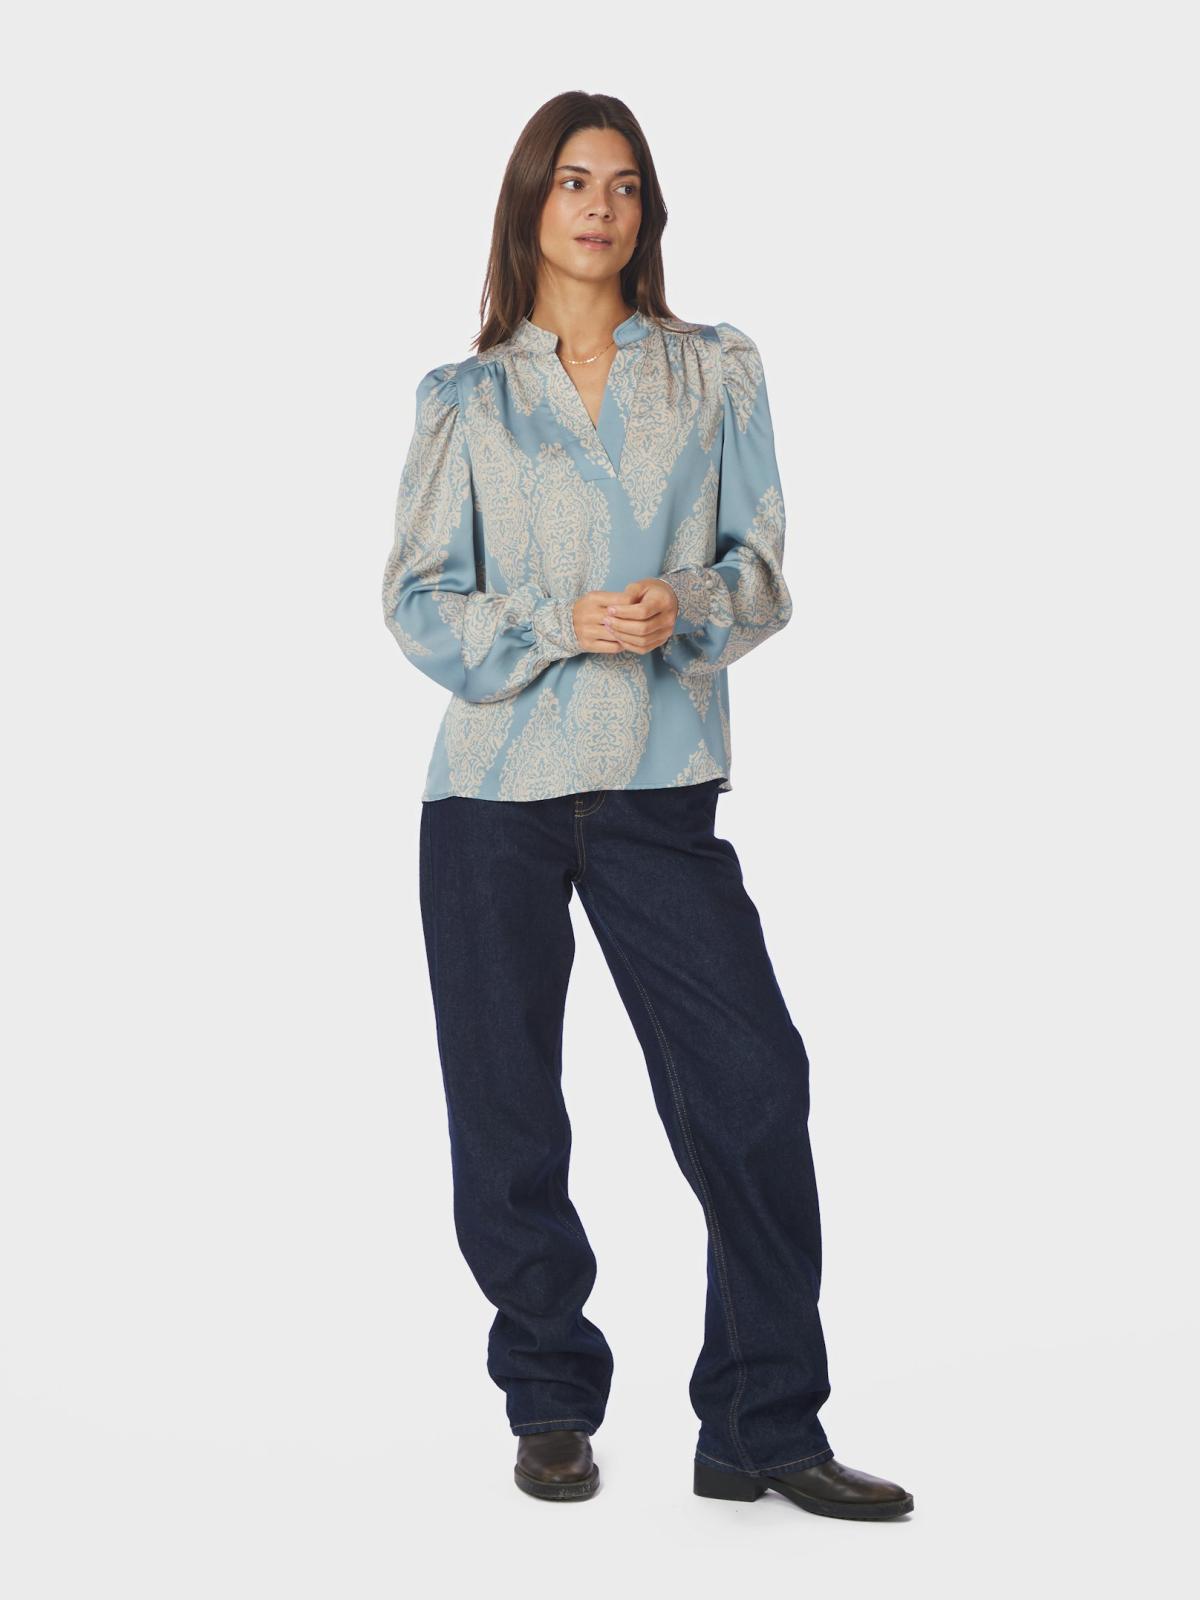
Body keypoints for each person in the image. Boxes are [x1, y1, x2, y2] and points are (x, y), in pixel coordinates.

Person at [381, 90, 914, 1521]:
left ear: (647, 212)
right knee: (507, 1111)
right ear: (530, 203)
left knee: (755, 1084)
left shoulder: (713, 372)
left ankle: (760, 1421)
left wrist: (682, 602)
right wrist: (561, 620)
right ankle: (549, 1398)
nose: (599, 207)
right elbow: (416, 600)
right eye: (573, 181)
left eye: (623, 185)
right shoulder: (465, 399)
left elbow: (763, 570)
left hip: (657, 787)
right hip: (491, 791)